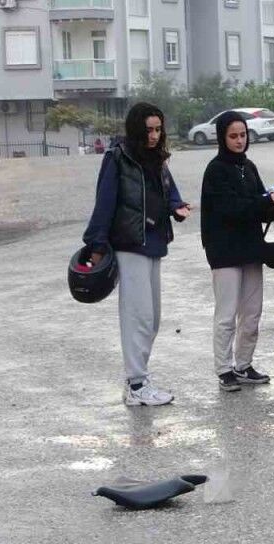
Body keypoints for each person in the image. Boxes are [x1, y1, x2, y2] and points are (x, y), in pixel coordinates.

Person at [83, 102, 191, 407]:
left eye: (158, 129)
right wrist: (96, 245)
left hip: (154, 242)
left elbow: (170, 192)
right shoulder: (117, 158)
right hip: (129, 244)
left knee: (153, 318)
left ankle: (139, 379)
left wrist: (177, 208)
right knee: (138, 316)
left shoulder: (158, 159)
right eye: (148, 130)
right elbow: (104, 202)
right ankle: (136, 384)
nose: (154, 136)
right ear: (136, 130)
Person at [200, 111, 274, 393]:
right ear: (222, 137)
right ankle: (224, 369)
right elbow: (231, 209)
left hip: (251, 249)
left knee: (252, 313)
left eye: (243, 135)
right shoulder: (215, 170)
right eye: (233, 136)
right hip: (224, 252)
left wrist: (272, 205)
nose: (239, 141)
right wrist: (266, 200)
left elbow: (258, 207)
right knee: (227, 314)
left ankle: (243, 364)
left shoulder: (249, 167)